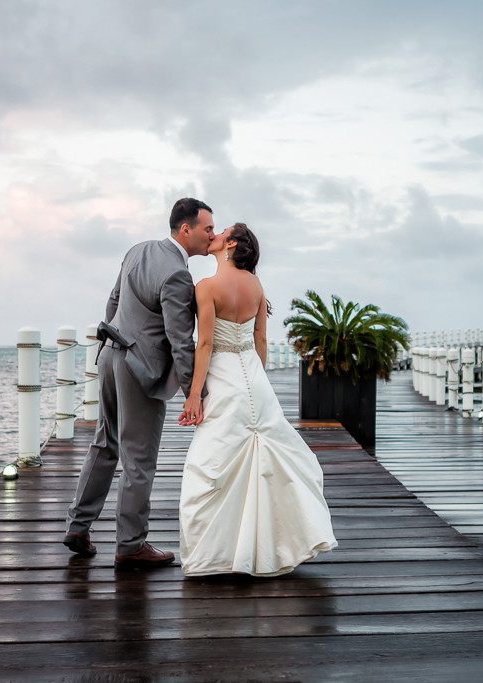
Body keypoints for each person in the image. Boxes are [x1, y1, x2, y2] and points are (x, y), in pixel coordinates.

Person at [178, 223, 337, 576]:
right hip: (254, 376)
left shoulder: (206, 287)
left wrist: (193, 394)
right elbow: (260, 339)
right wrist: (257, 377)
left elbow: (204, 344)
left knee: (213, 463)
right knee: (262, 461)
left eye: (222, 232)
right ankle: (267, 551)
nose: (215, 234)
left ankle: (217, 556)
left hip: (223, 378)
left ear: (230, 243)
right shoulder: (257, 286)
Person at [64, 198, 215, 570]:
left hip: (111, 356)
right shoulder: (179, 275)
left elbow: (113, 299)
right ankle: (130, 546)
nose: (212, 234)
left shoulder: (138, 250)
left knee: (104, 443)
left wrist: (119, 336)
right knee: (139, 460)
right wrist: (197, 393)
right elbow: (181, 342)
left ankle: (78, 526)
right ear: (186, 230)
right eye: (207, 228)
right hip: (140, 369)